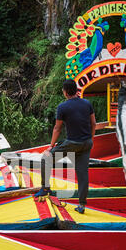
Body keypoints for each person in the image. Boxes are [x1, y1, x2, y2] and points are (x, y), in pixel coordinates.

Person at [35, 79, 96, 214]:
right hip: (86, 144)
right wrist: (90, 139)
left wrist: (51, 146)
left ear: (66, 92)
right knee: (82, 174)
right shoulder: (87, 104)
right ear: (75, 90)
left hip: (72, 144)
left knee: (46, 159)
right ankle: (81, 205)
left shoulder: (63, 107)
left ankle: (45, 188)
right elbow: (93, 124)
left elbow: (57, 128)